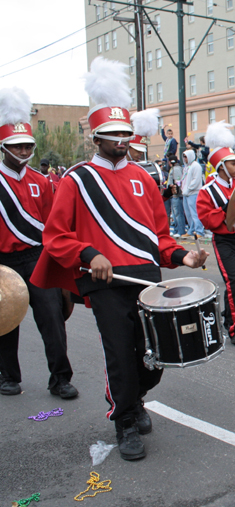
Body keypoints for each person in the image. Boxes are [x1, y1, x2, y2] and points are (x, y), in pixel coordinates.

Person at [31, 57, 208, 461]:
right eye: (112, 135)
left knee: (155, 356)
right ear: (96, 138)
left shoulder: (144, 178)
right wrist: (89, 253)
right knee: (121, 354)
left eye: (125, 133)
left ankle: (136, 398)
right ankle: (124, 419)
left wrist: (184, 256)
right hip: (105, 283)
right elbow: (55, 236)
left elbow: (158, 237)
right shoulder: (77, 179)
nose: (121, 140)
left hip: (147, 279)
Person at [0, 87, 77, 399]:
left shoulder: (41, 181)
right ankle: (8, 376)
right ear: (4, 147)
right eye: (16, 146)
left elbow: (52, 225)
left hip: (36, 257)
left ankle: (60, 379)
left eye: (27, 145)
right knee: (6, 322)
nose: (22, 151)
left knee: (52, 318)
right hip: (3, 262)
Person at [197, 122, 235, 346]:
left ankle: (227, 317)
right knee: (233, 282)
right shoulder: (207, 190)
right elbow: (206, 218)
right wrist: (225, 211)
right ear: (221, 166)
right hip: (223, 240)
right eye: (232, 163)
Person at [182, 148, 206, 238]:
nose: (184, 158)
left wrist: (188, 189)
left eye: (186, 156)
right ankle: (191, 230)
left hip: (193, 193)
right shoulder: (187, 167)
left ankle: (199, 231)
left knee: (195, 213)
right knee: (188, 213)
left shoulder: (196, 166)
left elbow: (196, 180)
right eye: (184, 157)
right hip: (186, 193)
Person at [166, 155, 187, 237]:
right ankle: (176, 229)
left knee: (178, 213)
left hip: (176, 195)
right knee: (175, 214)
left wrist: (176, 190)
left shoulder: (176, 168)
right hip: (174, 194)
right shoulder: (175, 168)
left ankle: (180, 230)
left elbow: (178, 181)